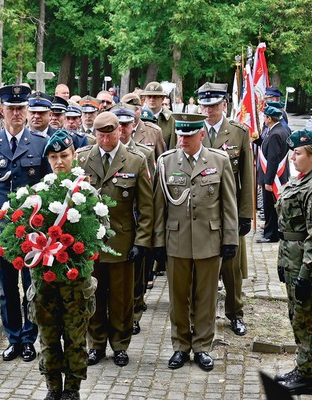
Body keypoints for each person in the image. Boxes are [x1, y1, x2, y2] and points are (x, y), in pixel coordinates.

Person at [153, 112, 239, 372]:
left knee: (206, 297)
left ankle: (202, 347)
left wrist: (230, 239)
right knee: (178, 298)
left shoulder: (219, 160)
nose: (183, 139)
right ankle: (180, 346)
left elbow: (228, 203)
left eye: (189, 135)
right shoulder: (166, 162)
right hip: (176, 239)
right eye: (180, 134)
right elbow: (160, 206)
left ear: (202, 134)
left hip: (209, 240)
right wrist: (158, 241)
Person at [0, 84, 51, 363]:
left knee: (31, 287)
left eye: (22, 108)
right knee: (7, 288)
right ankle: (13, 338)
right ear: (2, 111)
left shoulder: (40, 144)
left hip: (32, 230)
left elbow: (47, 189)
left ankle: (29, 338)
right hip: (1, 230)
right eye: (12, 108)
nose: (17, 113)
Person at [76, 111, 153, 368]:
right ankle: (96, 344)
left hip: (122, 242)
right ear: (95, 134)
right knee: (94, 296)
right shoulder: (83, 158)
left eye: (110, 133)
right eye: (100, 134)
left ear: (120, 131)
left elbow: (146, 206)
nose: (105, 139)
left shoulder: (134, 161)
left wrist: (142, 242)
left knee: (122, 299)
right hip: (91, 244)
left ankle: (120, 345)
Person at [274, 129, 312, 396]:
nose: (293, 158)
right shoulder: (301, 181)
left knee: (307, 319)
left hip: (306, 265)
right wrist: (282, 261)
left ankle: (308, 377)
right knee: (297, 316)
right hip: (292, 259)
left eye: (298, 153)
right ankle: (303, 368)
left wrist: (305, 273)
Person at [35, 130, 96, 400]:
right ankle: (52, 387)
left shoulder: (85, 191)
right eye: (54, 157)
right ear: (48, 159)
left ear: (74, 156)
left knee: (75, 336)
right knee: (48, 336)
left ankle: (72, 388)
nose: (59, 162)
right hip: (45, 279)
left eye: (64, 156)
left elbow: (98, 233)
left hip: (75, 280)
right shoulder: (37, 194)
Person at [197, 82, 253, 336]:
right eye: (205, 105)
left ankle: (235, 313)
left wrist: (245, 214)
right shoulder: (192, 130)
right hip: (201, 211)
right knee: (202, 266)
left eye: (214, 105)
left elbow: (248, 178)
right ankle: (200, 315)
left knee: (232, 268)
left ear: (224, 105)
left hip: (229, 211)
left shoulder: (239, 133)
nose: (209, 110)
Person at [112, 104, 156, 335]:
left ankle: (135, 312)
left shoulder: (144, 154)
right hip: (115, 219)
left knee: (137, 273)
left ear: (133, 126)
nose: (122, 129)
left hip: (137, 217)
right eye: (118, 124)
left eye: (126, 124)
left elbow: (151, 190)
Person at [257, 105, 291, 243]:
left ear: (269, 118)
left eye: (264, 117)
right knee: (272, 206)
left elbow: (273, 158)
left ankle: (271, 234)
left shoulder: (276, 134)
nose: (263, 120)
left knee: (270, 206)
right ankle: (270, 230)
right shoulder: (277, 130)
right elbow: (266, 146)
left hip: (273, 176)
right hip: (275, 175)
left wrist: (268, 181)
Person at [142, 81, 175, 149]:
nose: (152, 100)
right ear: (145, 99)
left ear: (162, 99)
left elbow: (173, 144)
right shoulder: (140, 118)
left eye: (155, 97)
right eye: (149, 97)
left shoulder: (170, 118)